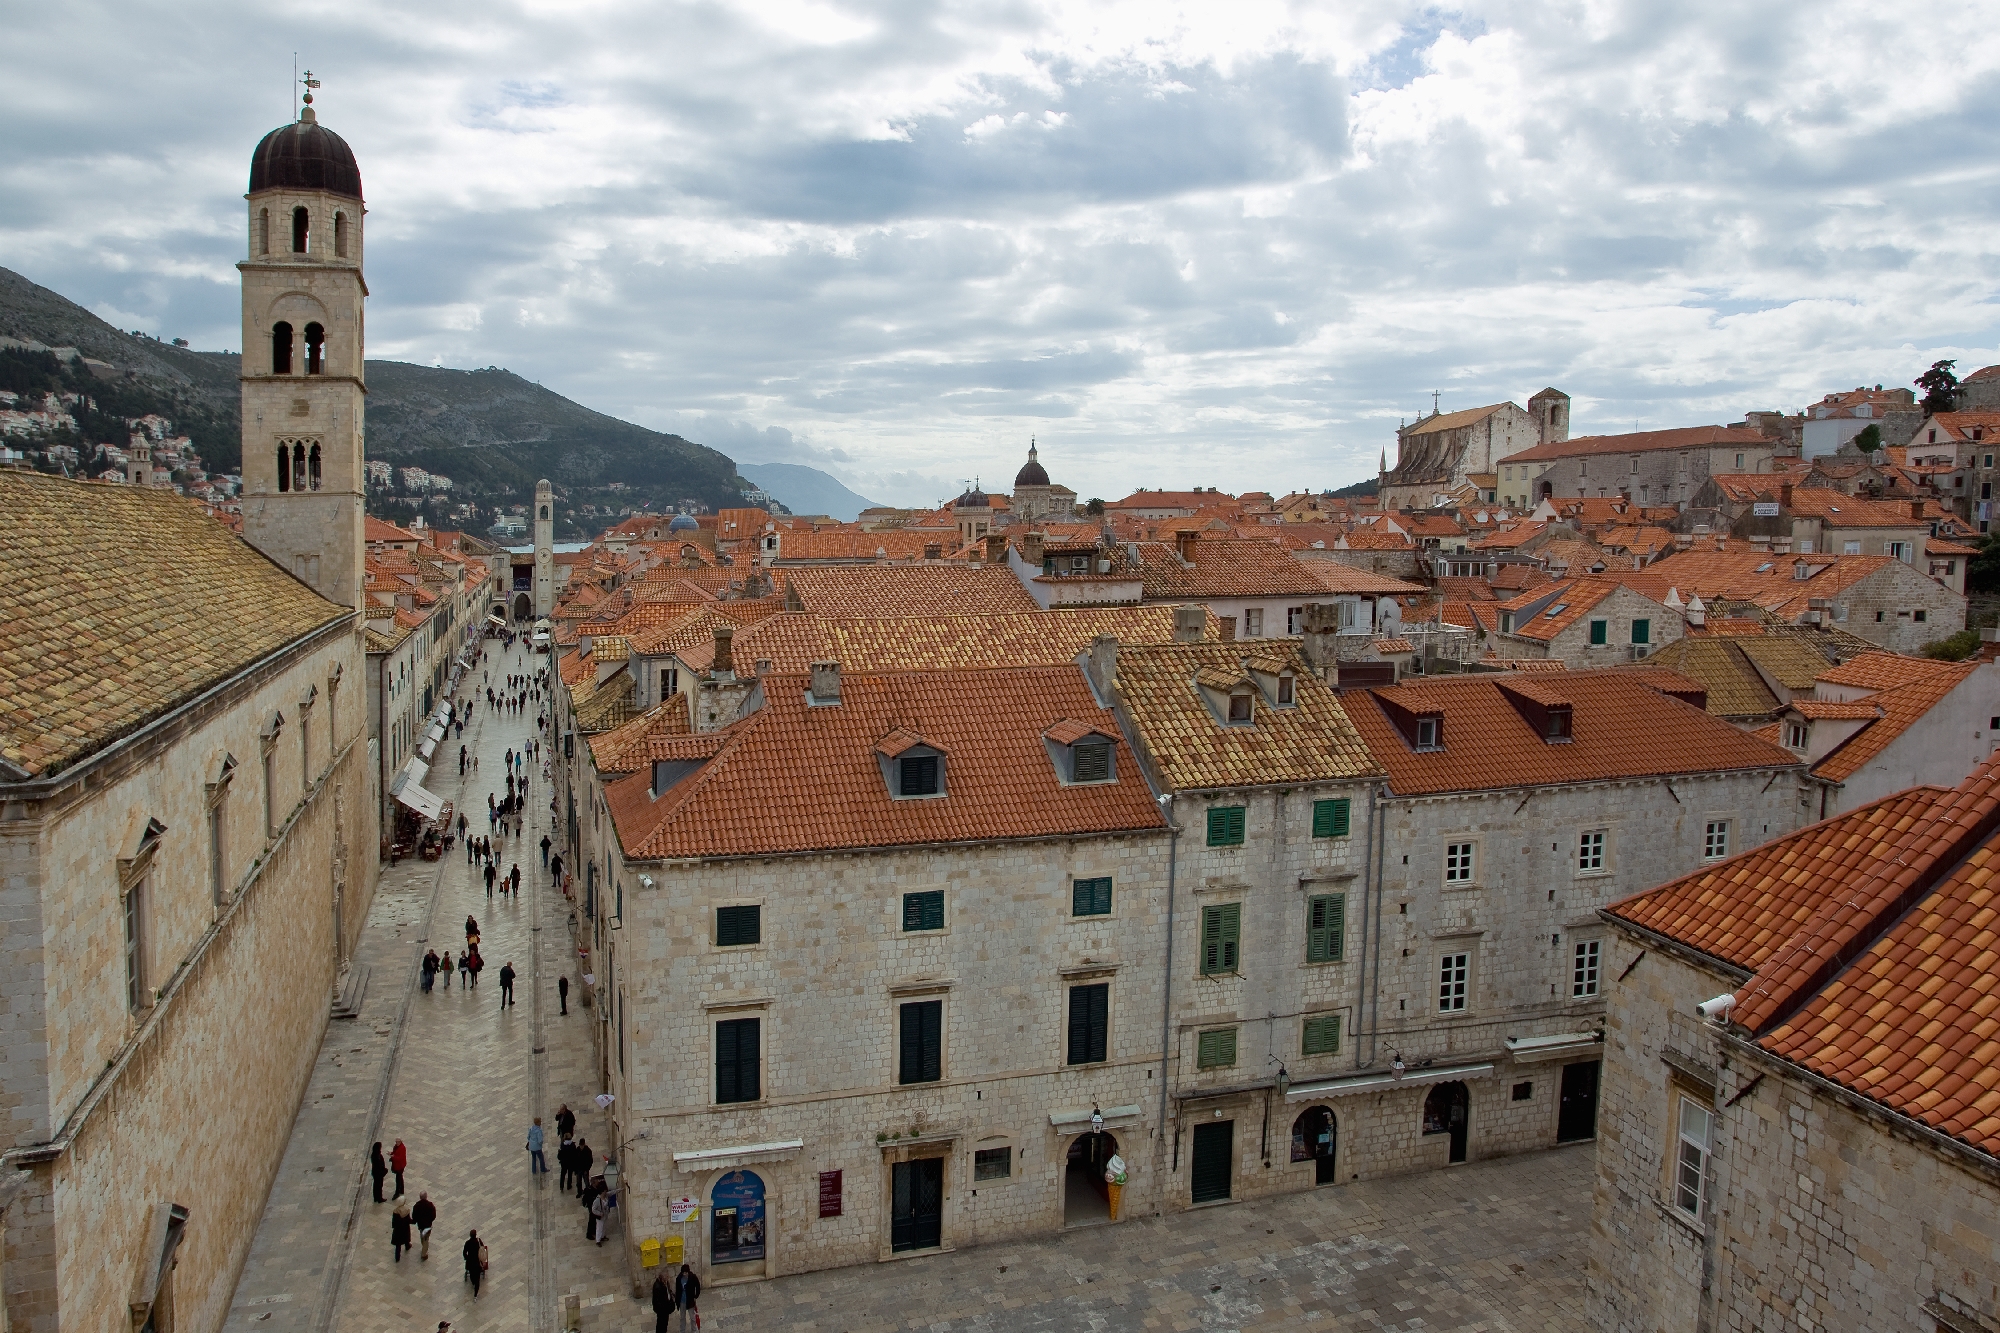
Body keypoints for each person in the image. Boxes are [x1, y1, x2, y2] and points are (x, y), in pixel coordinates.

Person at [674, 1264, 701, 1332]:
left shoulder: (693, 1277)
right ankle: (682, 1330)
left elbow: (698, 1286)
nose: (684, 1274)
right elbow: (677, 1290)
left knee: (692, 1317)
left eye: (686, 1273)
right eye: (683, 1273)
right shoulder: (679, 1278)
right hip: (682, 1300)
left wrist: (696, 1296)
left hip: (690, 1300)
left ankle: (693, 1330)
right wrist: (677, 1300)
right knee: (682, 1317)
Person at [411, 1192, 437, 1259]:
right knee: (426, 1239)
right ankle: (424, 1254)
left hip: (421, 1226)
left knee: (423, 1237)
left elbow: (414, 1217)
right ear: (426, 1197)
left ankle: (424, 1248)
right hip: (428, 1225)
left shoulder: (416, 1206)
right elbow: (433, 1216)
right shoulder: (430, 1205)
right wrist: (430, 1221)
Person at [463, 1230, 485, 1297]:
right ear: (475, 1235)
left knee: (472, 1274)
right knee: (477, 1277)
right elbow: (482, 1247)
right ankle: (475, 1293)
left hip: (470, 1262)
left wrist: (467, 1258)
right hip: (477, 1262)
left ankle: (473, 1282)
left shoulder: (467, 1243)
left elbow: (464, 1252)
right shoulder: (478, 1241)